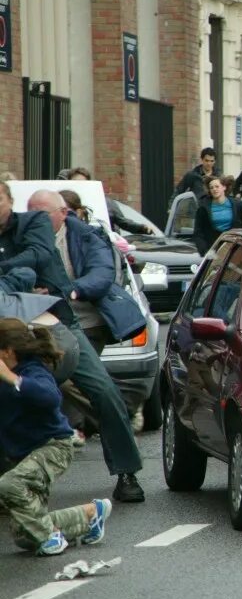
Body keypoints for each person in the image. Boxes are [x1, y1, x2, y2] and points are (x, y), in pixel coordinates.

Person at [0, 182, 145, 502]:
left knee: (103, 391)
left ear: (10, 200)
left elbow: (35, 257)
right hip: (8, 331)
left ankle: (126, 471)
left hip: (57, 322)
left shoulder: (34, 222)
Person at [0, 318, 113, 556]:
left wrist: (13, 380)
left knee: (9, 484)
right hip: (23, 455)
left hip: (52, 447)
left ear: (8, 352)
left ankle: (51, 536)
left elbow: (50, 398)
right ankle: (90, 514)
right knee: (24, 535)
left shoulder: (32, 370)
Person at [193, 175, 242, 254]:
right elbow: (198, 231)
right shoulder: (203, 208)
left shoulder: (237, 204)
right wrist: (204, 251)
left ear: (224, 187)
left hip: (235, 246)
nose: (214, 189)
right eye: (211, 187)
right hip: (213, 248)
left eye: (217, 186)